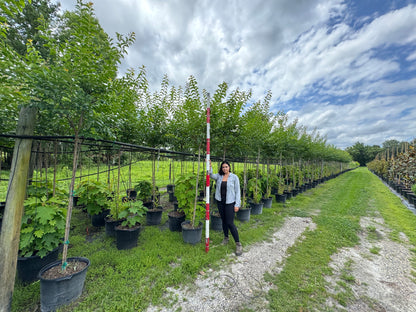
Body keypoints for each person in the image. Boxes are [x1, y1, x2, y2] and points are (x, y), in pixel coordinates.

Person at [209, 160, 242, 256]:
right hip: (220, 202)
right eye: (223, 167)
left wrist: (237, 204)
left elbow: (237, 191)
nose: (224, 169)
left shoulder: (234, 177)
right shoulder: (219, 176)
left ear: (229, 167)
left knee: (230, 223)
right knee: (223, 221)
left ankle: (238, 244)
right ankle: (226, 238)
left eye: (226, 167)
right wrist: (209, 165)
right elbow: (210, 175)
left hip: (230, 202)